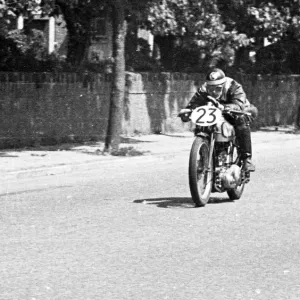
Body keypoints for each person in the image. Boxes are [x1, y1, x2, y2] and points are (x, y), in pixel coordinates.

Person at [179, 68, 257, 172]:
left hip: (241, 110)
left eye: (218, 89)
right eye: (210, 89)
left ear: (223, 84)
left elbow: (238, 105)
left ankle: (247, 158)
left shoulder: (233, 86)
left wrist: (224, 107)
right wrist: (187, 112)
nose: (214, 92)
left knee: (240, 119)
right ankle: (204, 157)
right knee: (202, 123)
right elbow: (194, 104)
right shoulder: (203, 89)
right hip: (217, 113)